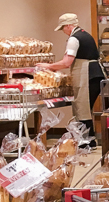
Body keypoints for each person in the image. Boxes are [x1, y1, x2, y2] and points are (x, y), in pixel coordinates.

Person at [38, 13, 104, 142]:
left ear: (69, 25)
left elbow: (67, 62)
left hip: (87, 75)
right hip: (95, 74)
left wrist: (49, 66)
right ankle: (88, 140)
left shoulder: (74, 38)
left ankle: (85, 142)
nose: (63, 31)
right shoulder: (85, 34)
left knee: (82, 108)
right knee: (85, 108)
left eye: (63, 28)